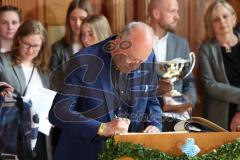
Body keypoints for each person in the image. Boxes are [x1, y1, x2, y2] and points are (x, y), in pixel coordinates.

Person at [49, 21, 162, 160]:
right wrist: (102, 128)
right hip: (83, 153)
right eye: (131, 59)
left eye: (141, 61)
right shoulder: (84, 61)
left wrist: (154, 125)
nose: (136, 66)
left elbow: (151, 99)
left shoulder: (147, 57)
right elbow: (59, 112)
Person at [0, 20, 51, 160]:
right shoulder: (3, 61)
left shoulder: (44, 69)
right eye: (26, 44)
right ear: (18, 40)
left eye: (35, 46)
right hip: (13, 134)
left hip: (40, 133)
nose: (30, 50)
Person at [148, 0, 197, 131]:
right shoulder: (139, 40)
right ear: (156, 13)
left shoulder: (181, 44)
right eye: (172, 11)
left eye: (178, 11)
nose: (177, 16)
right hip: (145, 119)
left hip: (177, 118)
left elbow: (189, 83)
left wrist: (187, 103)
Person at [198, 0, 240, 131]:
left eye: (225, 16)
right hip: (217, 118)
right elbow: (210, 85)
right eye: (216, 19)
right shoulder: (205, 50)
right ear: (211, 25)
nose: (222, 22)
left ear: (233, 18)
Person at [50, 0, 93, 71]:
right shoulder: (57, 48)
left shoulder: (96, 46)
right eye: (73, 19)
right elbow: (52, 79)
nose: (77, 24)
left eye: (82, 19)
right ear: (68, 20)